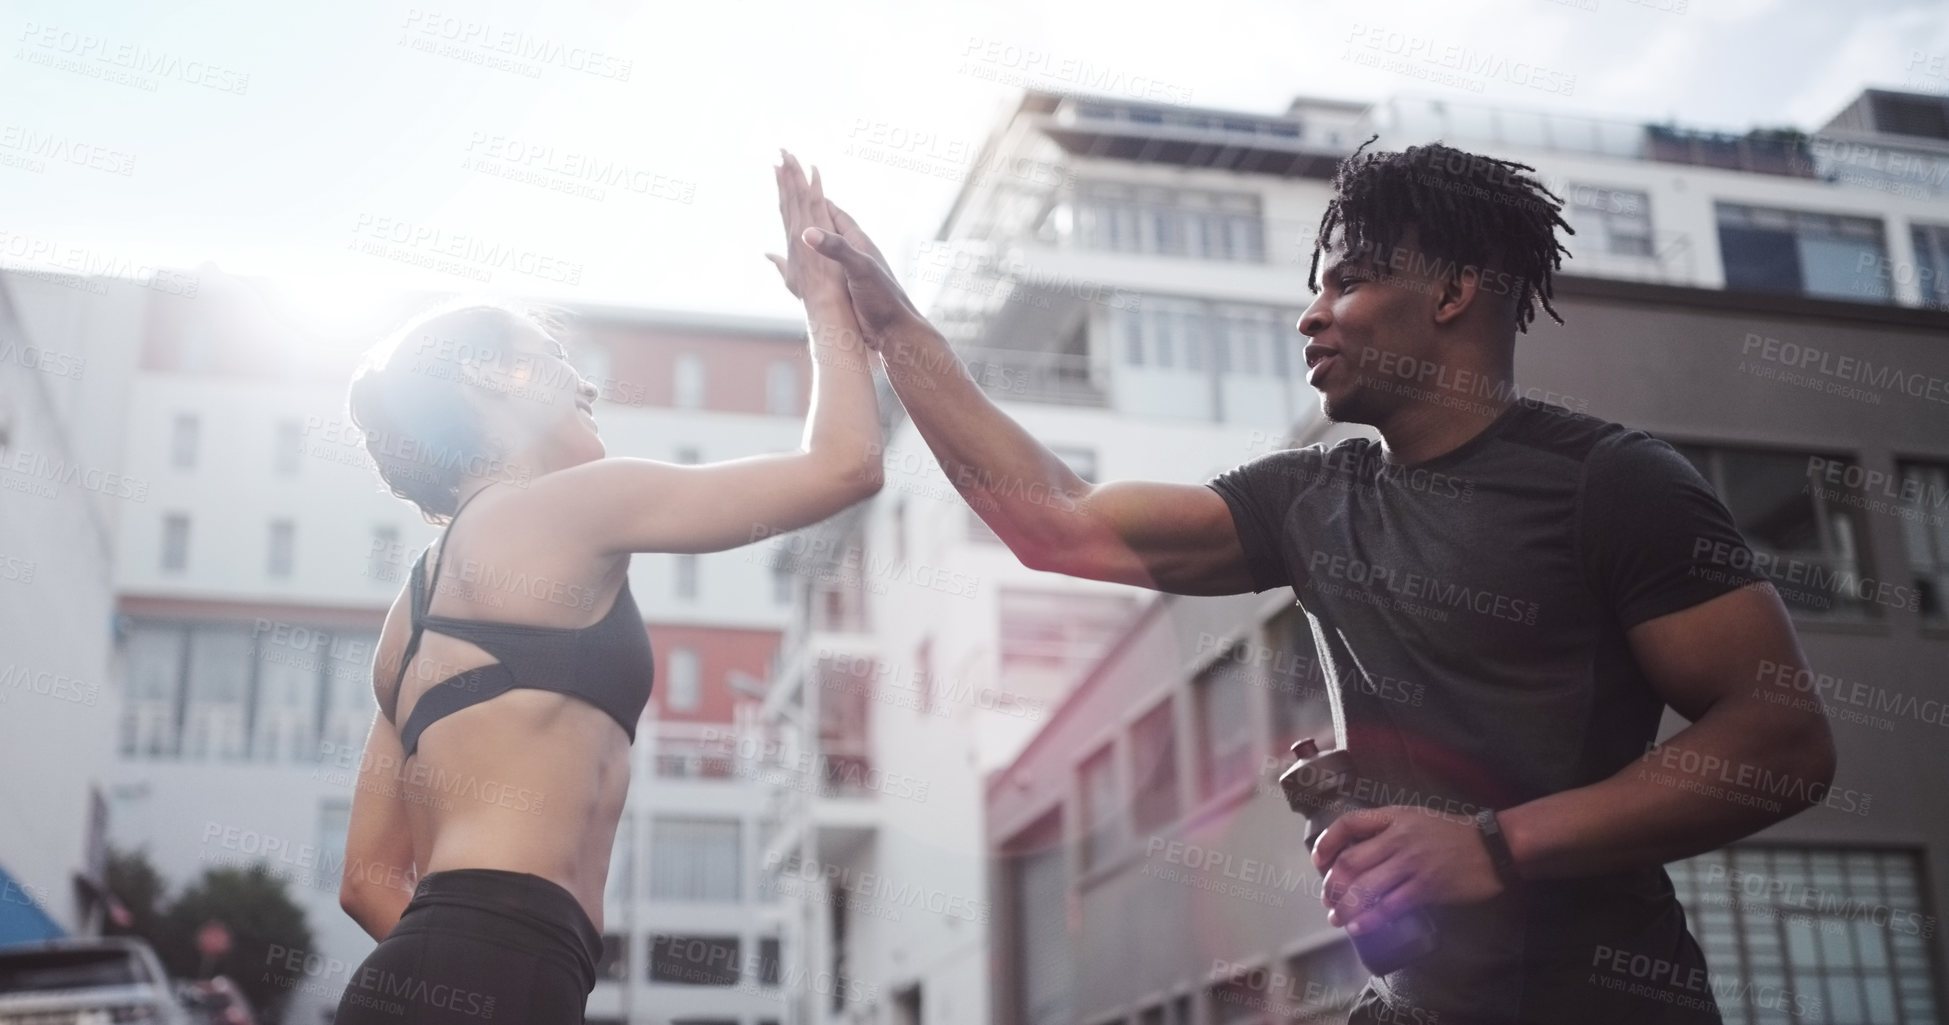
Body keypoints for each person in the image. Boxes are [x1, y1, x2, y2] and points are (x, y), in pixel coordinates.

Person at [796, 140, 1838, 1024]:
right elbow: (1057, 525)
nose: (1311, 314)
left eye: (1345, 280)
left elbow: (1781, 740)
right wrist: (895, 328)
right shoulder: (1306, 497)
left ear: (1450, 291)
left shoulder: (1613, 481)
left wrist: (1494, 843)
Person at [331, 153, 883, 1023]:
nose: (584, 380)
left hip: (436, 972)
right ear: (489, 376)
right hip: (510, 967)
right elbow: (846, 465)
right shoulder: (570, 508)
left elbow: (366, 880)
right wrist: (826, 302)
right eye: (552, 357)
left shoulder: (409, 615)